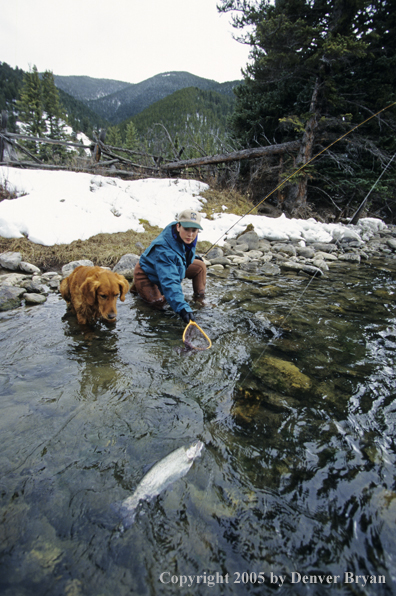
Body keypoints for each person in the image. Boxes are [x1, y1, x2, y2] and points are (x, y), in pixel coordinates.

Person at [131, 209, 206, 323]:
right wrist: (183, 309)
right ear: (178, 227)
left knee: (200, 267)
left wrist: (191, 256)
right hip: (147, 273)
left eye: (194, 230)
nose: (190, 234)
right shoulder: (164, 251)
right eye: (186, 229)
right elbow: (170, 282)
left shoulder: (185, 237)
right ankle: (139, 288)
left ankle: (199, 301)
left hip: (171, 266)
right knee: (158, 305)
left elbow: (179, 250)